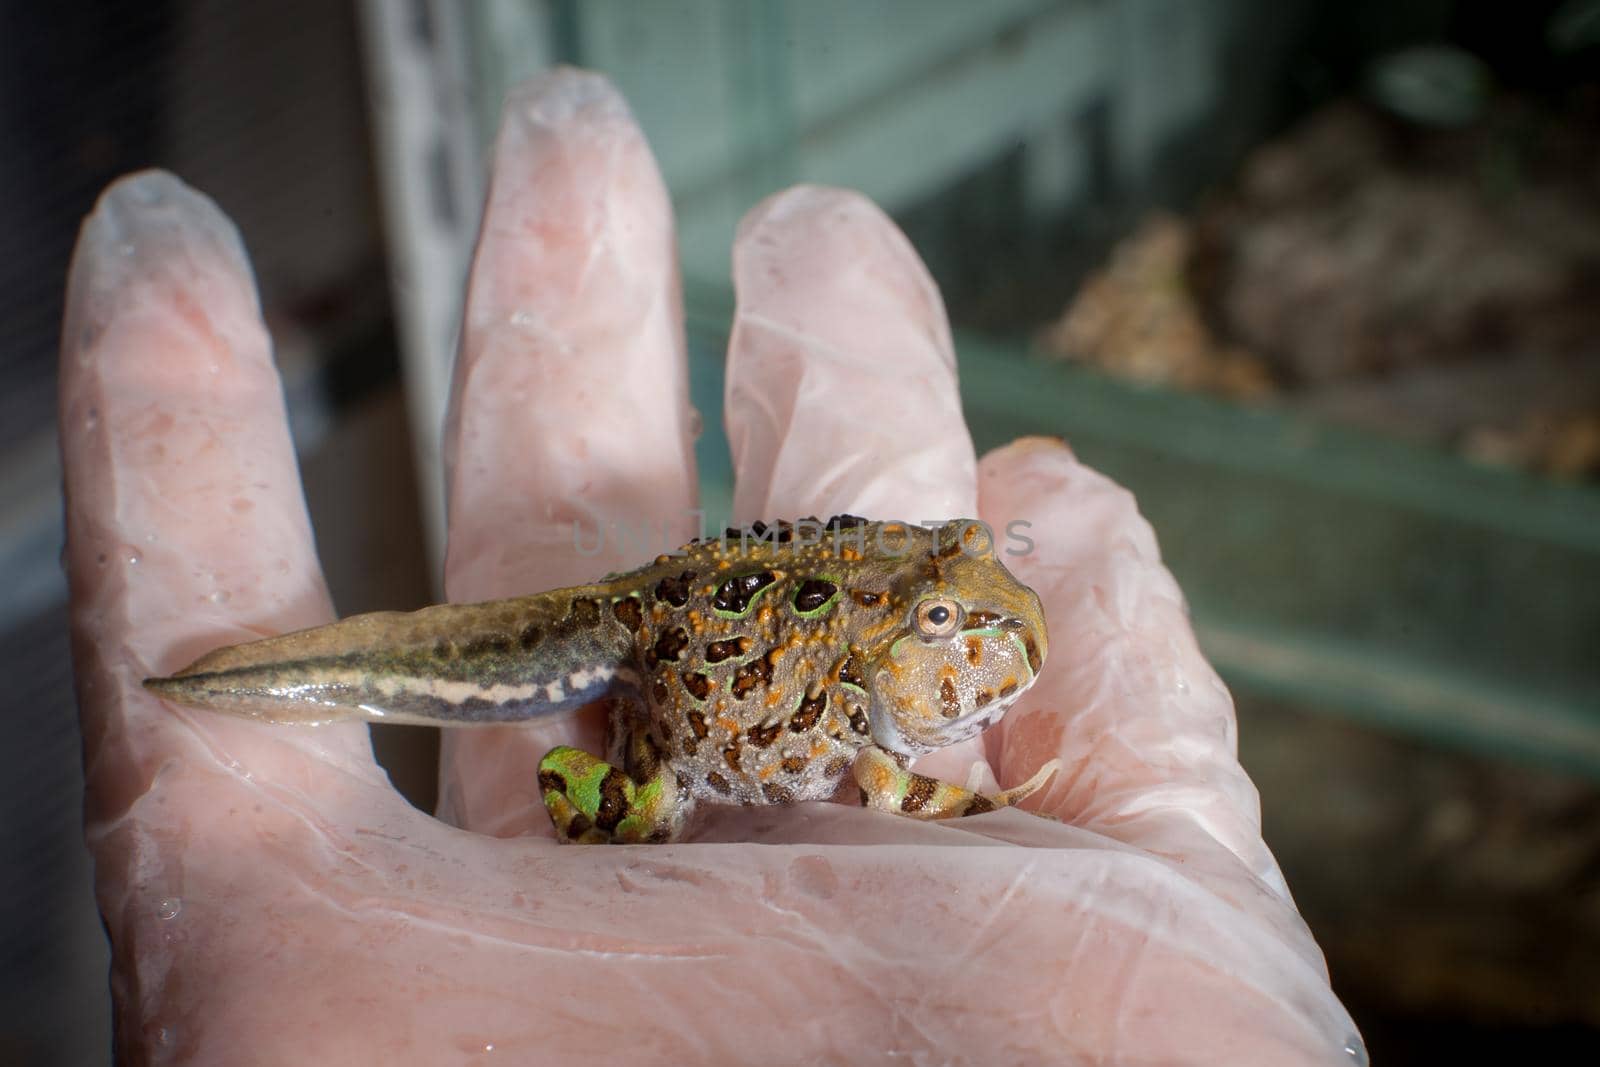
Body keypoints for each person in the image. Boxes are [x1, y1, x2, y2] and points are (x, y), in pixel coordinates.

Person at [61, 68, 1363, 1064]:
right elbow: (904, 796)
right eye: (955, 626)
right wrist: (979, 817)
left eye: (968, 609)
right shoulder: (872, 715)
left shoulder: (886, 647)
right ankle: (548, 764)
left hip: (690, 610)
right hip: (674, 704)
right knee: (642, 798)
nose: (989, 642)